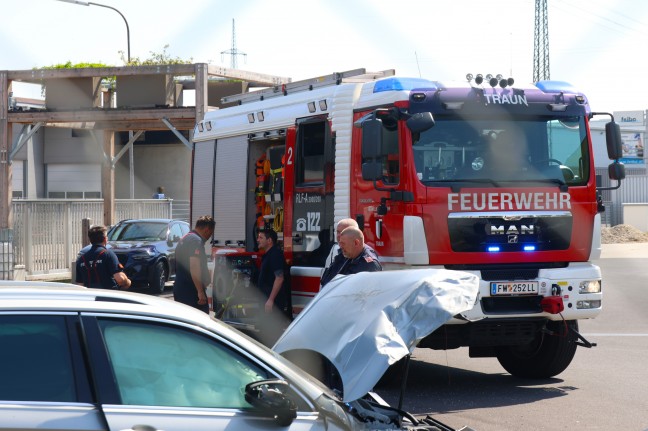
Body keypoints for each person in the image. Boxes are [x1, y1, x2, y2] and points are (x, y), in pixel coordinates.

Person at [173, 215, 215, 313]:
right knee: (201, 321)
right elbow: (194, 266)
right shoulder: (196, 241)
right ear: (207, 229)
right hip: (191, 292)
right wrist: (200, 292)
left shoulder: (186, 238)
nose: (210, 237)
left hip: (181, 289)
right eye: (211, 233)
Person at [256, 228, 288, 345]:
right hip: (266, 301)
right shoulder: (268, 254)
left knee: (272, 335)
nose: (257, 240)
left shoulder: (275, 254)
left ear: (269, 240)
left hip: (273, 304)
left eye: (261, 237)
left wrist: (270, 300)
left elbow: (279, 278)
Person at [76, 225, 131, 290]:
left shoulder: (82, 259)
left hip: (91, 296)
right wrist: (128, 282)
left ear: (90, 240)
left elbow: (80, 285)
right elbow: (120, 279)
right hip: (107, 296)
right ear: (105, 239)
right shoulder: (108, 254)